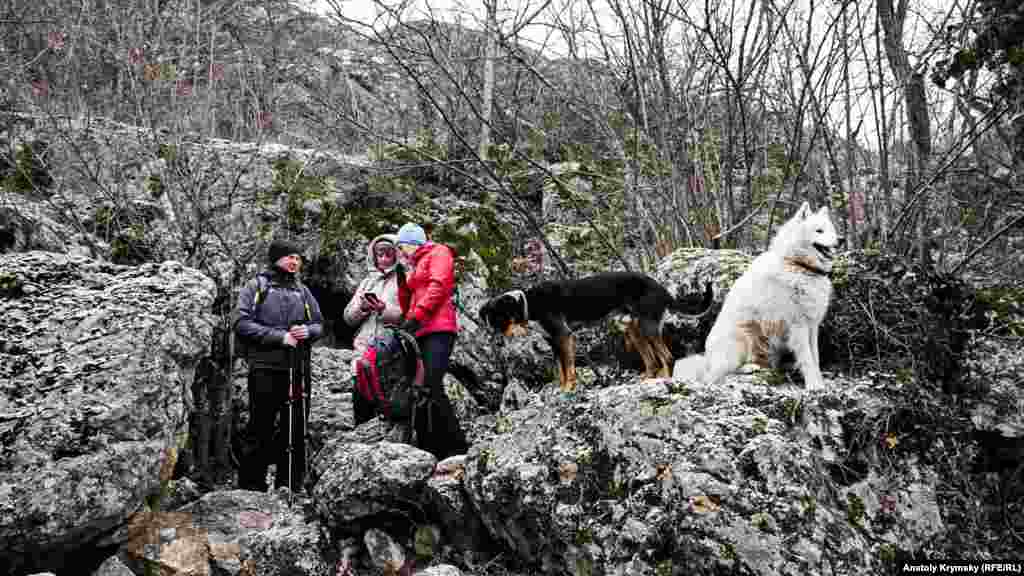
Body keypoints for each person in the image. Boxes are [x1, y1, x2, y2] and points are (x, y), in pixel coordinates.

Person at [235, 239, 323, 492]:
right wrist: (279, 337)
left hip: (297, 368)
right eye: (289, 257)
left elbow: (318, 324)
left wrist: (308, 331)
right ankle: (251, 487)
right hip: (264, 367)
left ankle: (290, 485)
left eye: (297, 258)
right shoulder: (256, 286)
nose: (294, 262)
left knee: (295, 426)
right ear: (276, 258)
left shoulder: (302, 291)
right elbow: (240, 322)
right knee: (260, 425)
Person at [394, 222, 468, 460]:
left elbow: (439, 286)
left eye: (401, 246)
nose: (400, 252)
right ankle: (430, 447)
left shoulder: (439, 252)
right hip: (420, 331)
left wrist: (417, 316)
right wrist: (402, 282)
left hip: (439, 329)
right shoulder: (413, 265)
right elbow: (407, 302)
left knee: (432, 385)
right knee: (420, 389)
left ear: (411, 242)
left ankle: (456, 448)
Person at [343, 233, 404, 425]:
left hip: (390, 352)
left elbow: (409, 315)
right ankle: (362, 433)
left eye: (389, 254)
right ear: (373, 255)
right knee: (361, 400)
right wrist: (362, 308)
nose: (384, 259)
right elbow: (348, 317)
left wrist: (383, 309)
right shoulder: (367, 282)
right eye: (379, 254)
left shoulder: (405, 280)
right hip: (363, 349)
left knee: (387, 401)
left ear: (397, 255)